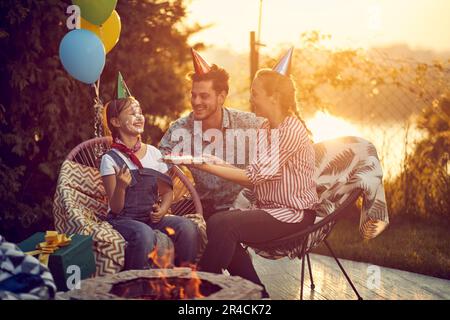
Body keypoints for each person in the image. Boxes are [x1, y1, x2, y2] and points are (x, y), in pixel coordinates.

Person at [164, 48, 319, 297]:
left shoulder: (290, 130)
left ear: (274, 97)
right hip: (269, 210)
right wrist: (205, 158)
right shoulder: (265, 129)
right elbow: (252, 170)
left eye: (255, 95)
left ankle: (198, 292)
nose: (252, 100)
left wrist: (203, 165)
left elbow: (253, 178)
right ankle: (258, 296)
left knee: (223, 225)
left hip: (293, 213)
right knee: (223, 228)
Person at [100, 72, 199, 270]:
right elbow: (116, 207)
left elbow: (167, 192)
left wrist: (163, 209)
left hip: (149, 218)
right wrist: (120, 186)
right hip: (123, 220)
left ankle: (183, 278)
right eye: (131, 113)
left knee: (188, 227)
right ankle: (133, 283)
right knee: (144, 234)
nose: (138, 117)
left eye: (139, 112)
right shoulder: (110, 159)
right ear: (116, 122)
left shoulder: (154, 153)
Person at [159, 49, 266, 220]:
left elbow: (281, 134)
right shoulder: (180, 129)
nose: (196, 102)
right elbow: (158, 162)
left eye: (204, 96)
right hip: (201, 206)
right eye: (193, 96)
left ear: (221, 97)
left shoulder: (248, 124)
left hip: (243, 207)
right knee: (168, 226)